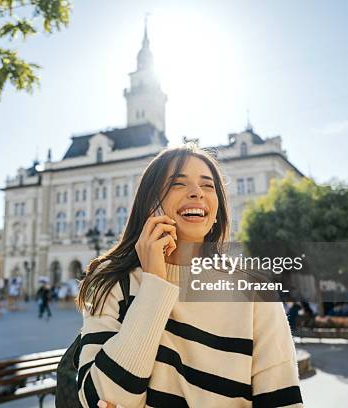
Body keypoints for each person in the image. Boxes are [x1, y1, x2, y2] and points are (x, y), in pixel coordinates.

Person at [75, 146, 303, 407]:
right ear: (150, 203)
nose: (197, 193)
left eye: (208, 186)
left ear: (217, 209)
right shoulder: (112, 282)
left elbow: (281, 399)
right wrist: (155, 287)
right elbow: (99, 399)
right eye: (178, 184)